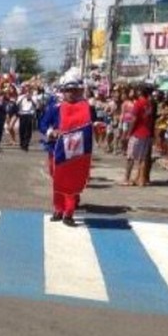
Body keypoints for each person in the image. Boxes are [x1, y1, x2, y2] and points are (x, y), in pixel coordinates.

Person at [40, 72, 93, 227]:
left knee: (71, 181)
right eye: (68, 90)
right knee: (57, 179)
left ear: (79, 91)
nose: (71, 93)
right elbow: (42, 124)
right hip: (56, 150)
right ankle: (58, 208)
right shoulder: (55, 108)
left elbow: (92, 125)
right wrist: (51, 132)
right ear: (63, 91)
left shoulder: (86, 108)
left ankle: (68, 212)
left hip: (77, 151)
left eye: (74, 90)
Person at [123, 84, 154, 187]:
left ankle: (126, 178)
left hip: (137, 132)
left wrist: (129, 132)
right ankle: (141, 179)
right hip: (146, 132)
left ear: (140, 91)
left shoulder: (138, 103)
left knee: (130, 156)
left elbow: (134, 119)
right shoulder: (149, 104)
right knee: (142, 158)